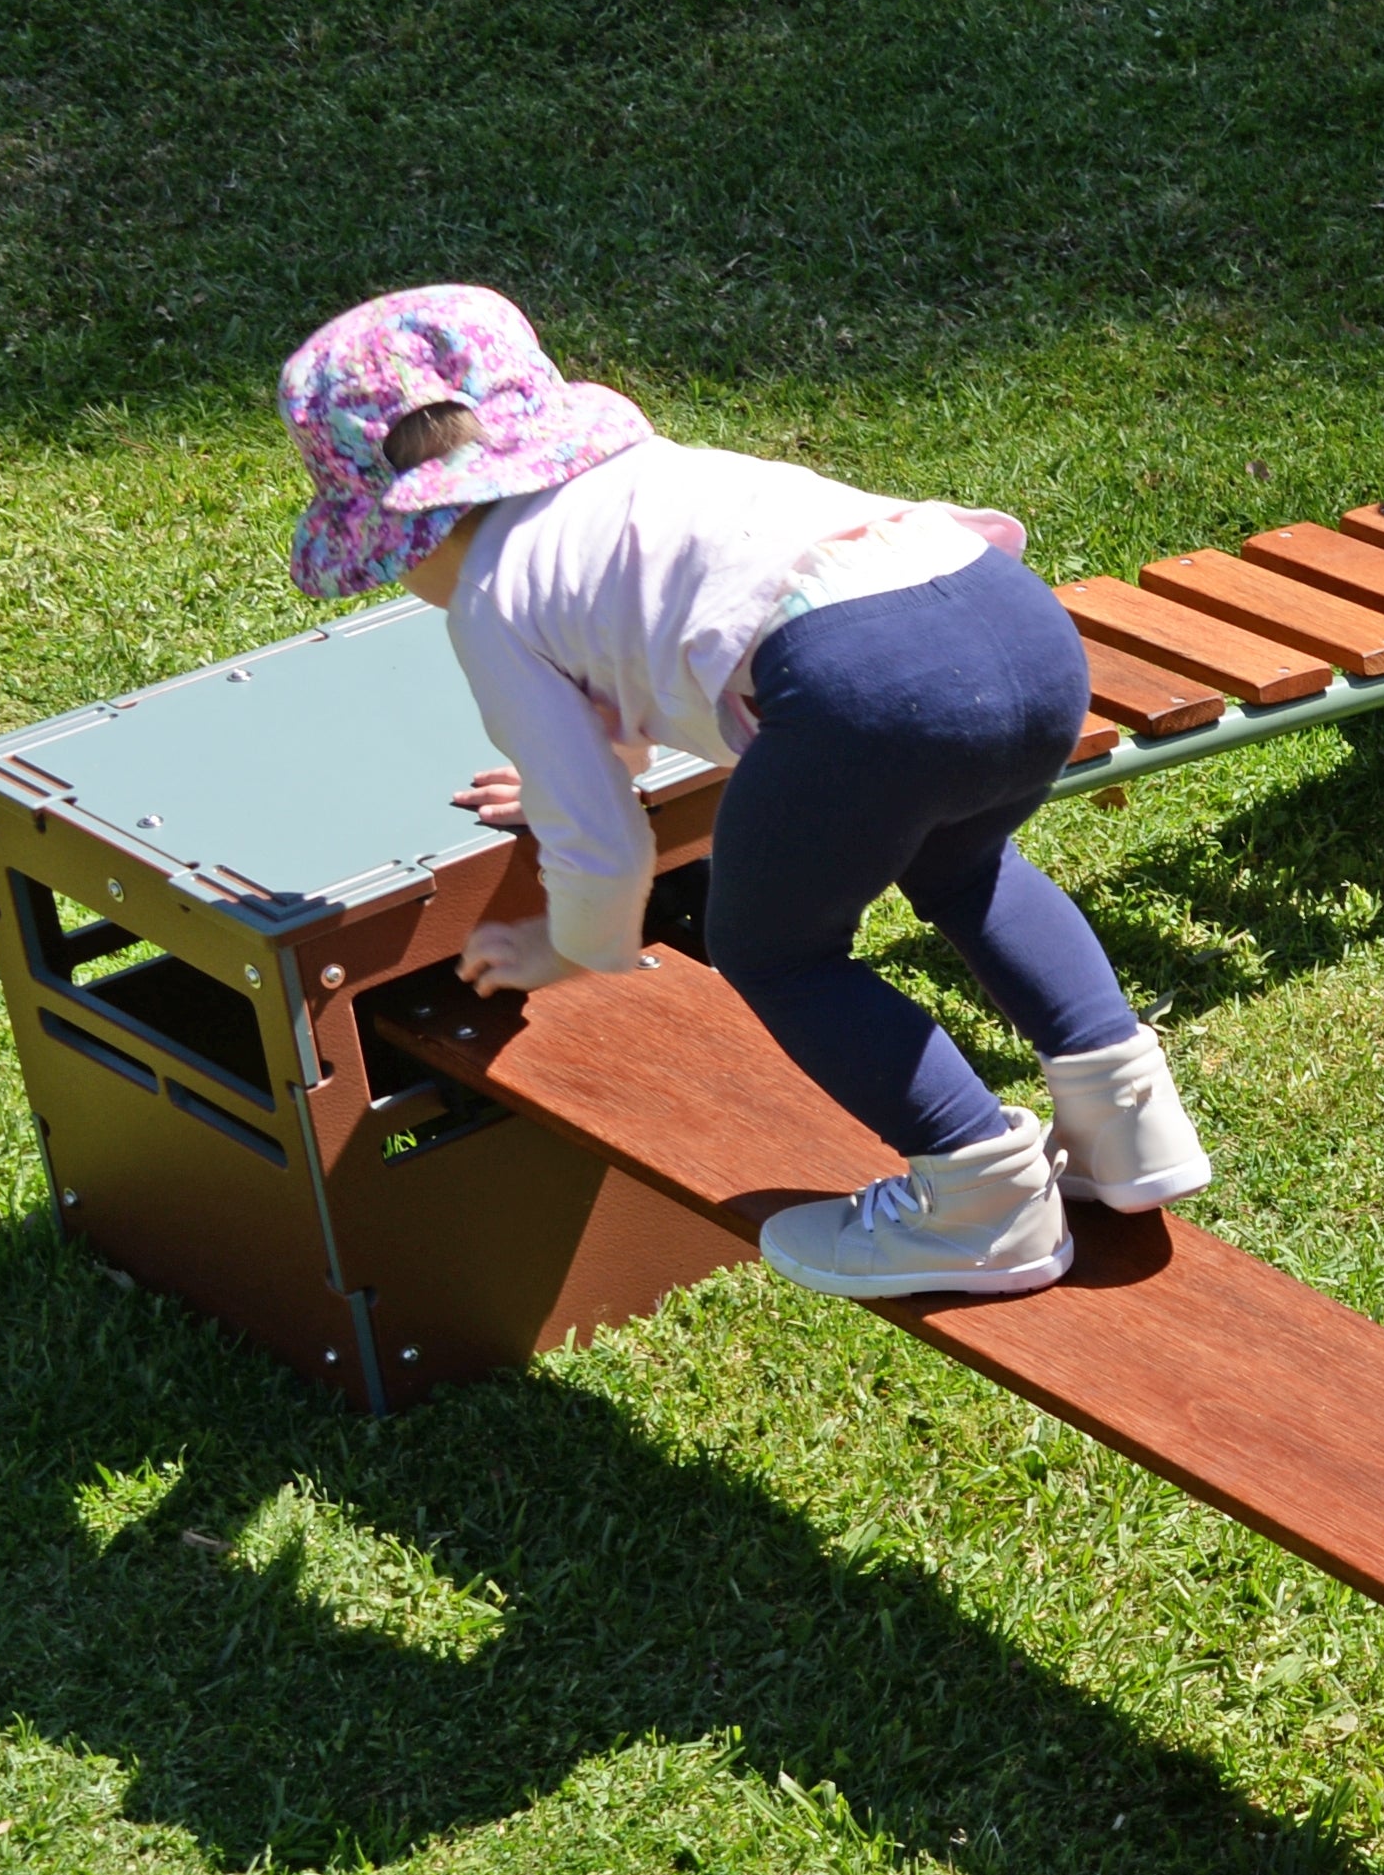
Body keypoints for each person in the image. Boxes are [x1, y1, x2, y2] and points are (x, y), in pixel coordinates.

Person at [277, 285, 1207, 1306]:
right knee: (967, 864)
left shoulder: (491, 600)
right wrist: (582, 764)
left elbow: (601, 843)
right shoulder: (639, 477)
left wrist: (570, 942)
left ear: (406, 533)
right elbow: (644, 636)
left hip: (871, 692)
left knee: (780, 951)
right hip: (1009, 627)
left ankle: (979, 1201)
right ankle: (1129, 1124)